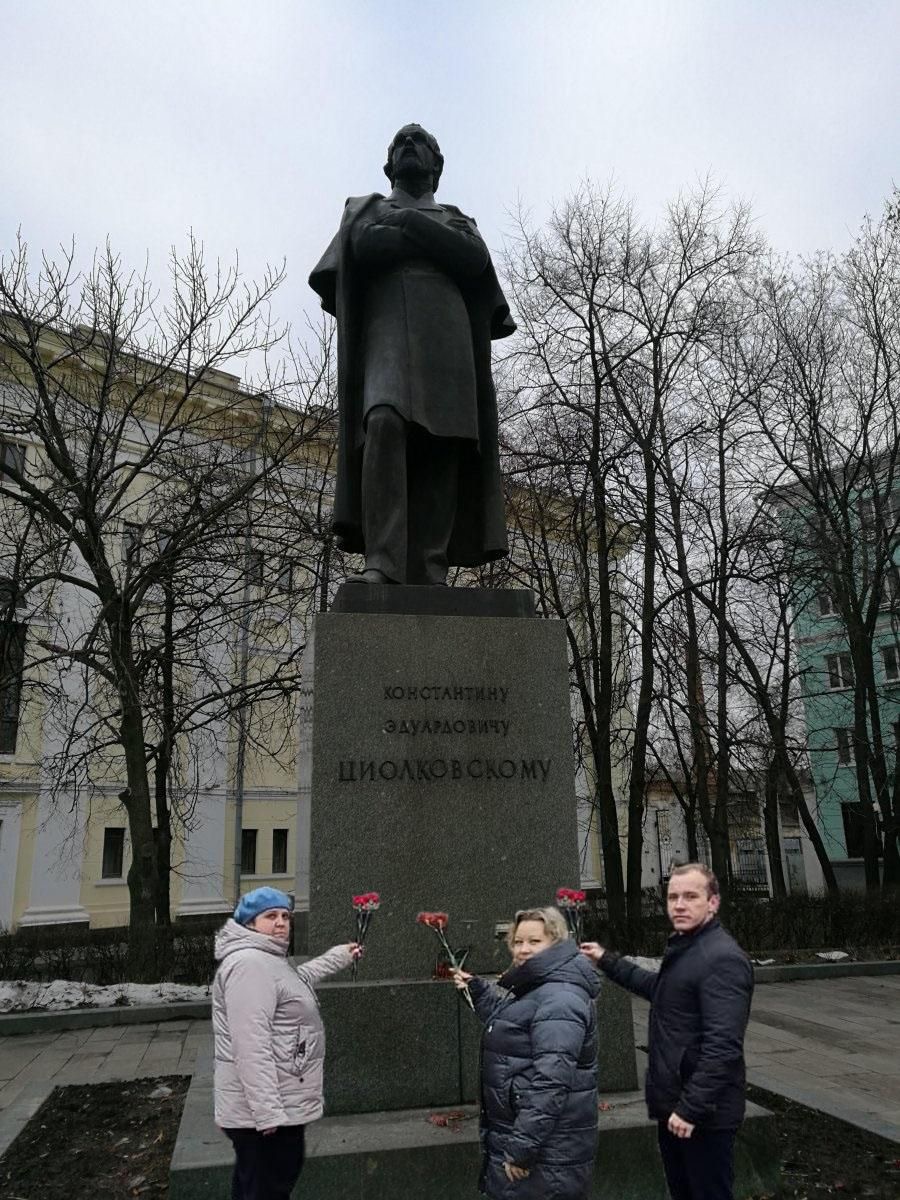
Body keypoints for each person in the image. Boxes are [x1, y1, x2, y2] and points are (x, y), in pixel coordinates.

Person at [309, 123, 515, 586]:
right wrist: (429, 238)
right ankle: (382, 562)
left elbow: (472, 259)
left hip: (448, 331)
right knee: (383, 421)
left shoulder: (457, 218)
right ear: (389, 165)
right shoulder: (366, 209)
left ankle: (429, 568)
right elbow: (365, 246)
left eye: (418, 141)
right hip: (386, 325)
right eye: (400, 142)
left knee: (444, 441)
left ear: (436, 164)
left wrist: (408, 224)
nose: (408, 145)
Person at [580, 863, 753, 1200]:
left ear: (713, 902)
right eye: (673, 897)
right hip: (678, 1105)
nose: (679, 905)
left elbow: (723, 1047)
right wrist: (606, 960)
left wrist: (691, 1109)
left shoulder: (721, 959)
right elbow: (658, 987)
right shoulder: (688, 947)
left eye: (691, 896)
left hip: (703, 1115)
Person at [212, 886, 361, 1200]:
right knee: (267, 1189)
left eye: (285, 916)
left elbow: (294, 980)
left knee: (256, 1186)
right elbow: (250, 1046)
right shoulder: (250, 965)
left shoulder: (266, 960)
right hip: (267, 1114)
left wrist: (338, 957)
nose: (281, 922)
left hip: (275, 1104)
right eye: (270, 916)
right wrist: (267, 1113)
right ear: (250, 923)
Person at [451, 906, 600, 1199]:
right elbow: (516, 1025)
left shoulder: (561, 999)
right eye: (518, 942)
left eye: (535, 941)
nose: (523, 949)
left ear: (556, 943)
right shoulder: (538, 988)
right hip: (534, 1145)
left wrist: (521, 1148)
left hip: (545, 1156)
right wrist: (478, 991)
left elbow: (551, 1082)